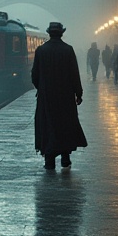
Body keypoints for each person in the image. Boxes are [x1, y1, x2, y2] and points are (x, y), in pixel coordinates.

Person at [31, 22, 88, 170]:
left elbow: (34, 75)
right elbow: (74, 74)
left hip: (47, 96)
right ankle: (65, 157)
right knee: (65, 125)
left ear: (49, 33)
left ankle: (49, 159)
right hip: (65, 95)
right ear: (61, 33)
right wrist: (78, 93)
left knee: (48, 124)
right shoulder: (68, 50)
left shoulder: (41, 50)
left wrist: (42, 88)